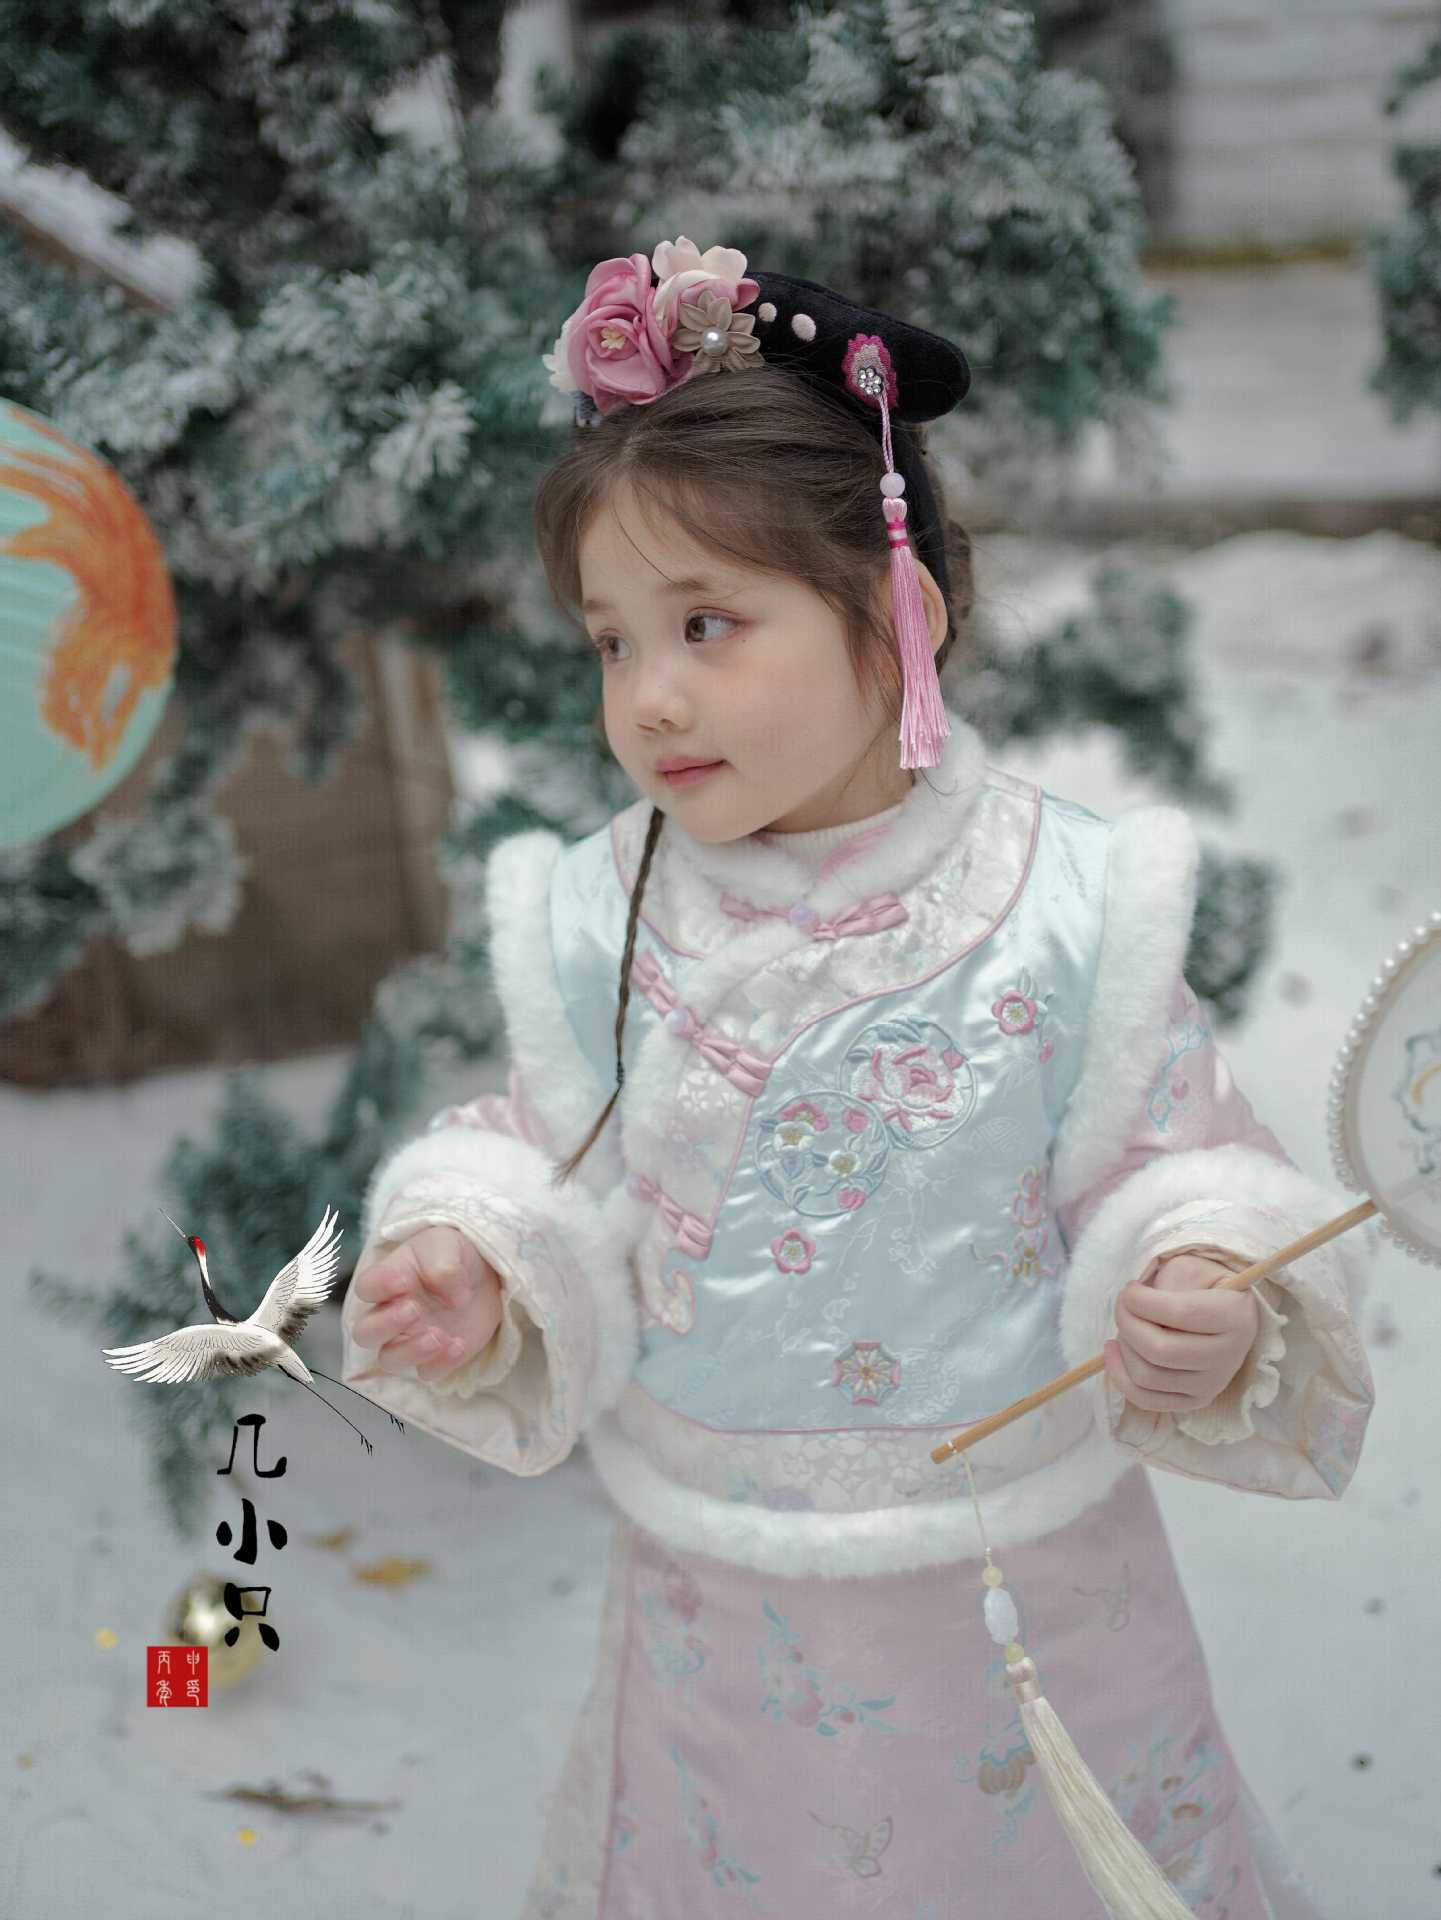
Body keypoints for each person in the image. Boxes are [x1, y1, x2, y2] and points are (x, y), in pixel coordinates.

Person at [340, 237, 1375, 1918]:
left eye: (705, 623)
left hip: (1023, 1577)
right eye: (610, 642)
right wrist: (476, 1250)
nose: (649, 696)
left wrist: (1201, 1283)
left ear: (900, 614)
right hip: (722, 1593)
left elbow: (1174, 1160)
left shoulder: (1062, 907)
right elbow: (551, 1154)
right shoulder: (601, 908)